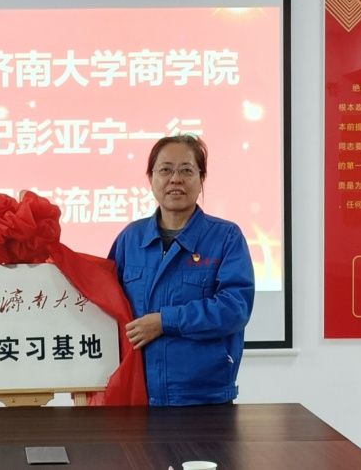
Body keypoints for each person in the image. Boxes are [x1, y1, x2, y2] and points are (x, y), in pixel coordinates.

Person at [108, 134, 254, 406]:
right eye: (165, 170)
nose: (175, 179)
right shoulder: (131, 239)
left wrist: (165, 322)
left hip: (204, 398)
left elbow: (234, 308)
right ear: (151, 178)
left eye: (186, 170)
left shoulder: (226, 237)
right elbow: (105, 302)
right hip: (139, 395)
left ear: (201, 179)